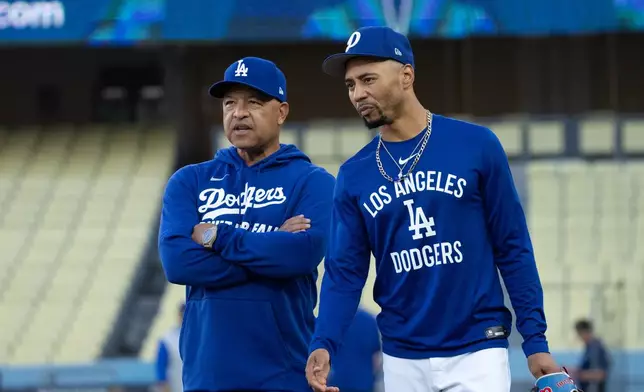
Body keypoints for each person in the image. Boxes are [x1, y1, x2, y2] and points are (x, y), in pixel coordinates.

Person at [305, 26, 560, 392]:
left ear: (406, 75)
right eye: (350, 85)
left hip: (477, 350)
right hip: (401, 357)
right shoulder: (353, 175)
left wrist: (535, 339)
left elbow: (513, 246)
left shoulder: (476, 146)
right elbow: (344, 273)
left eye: (368, 79)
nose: (358, 94)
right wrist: (324, 341)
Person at [159, 56, 335, 392]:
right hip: (206, 378)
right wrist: (270, 249)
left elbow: (300, 254)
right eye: (229, 103)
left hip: (283, 376)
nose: (239, 113)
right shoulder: (190, 181)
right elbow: (178, 263)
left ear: (281, 112)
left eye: (253, 102)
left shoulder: (314, 182)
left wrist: (217, 236)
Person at [327, 307, 382, 392]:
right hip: (364, 384)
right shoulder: (369, 321)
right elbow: (376, 357)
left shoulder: (330, 320)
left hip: (336, 382)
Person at [571, 319, 611, 392]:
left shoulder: (597, 348)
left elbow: (601, 374)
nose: (579, 337)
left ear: (585, 332)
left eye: (580, 334)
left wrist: (579, 375)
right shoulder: (588, 348)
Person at [154, 303, 184, 392]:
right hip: (174, 387)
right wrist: (163, 384)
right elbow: (160, 365)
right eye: (182, 315)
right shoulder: (168, 339)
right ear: (178, 315)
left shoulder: (199, 336)